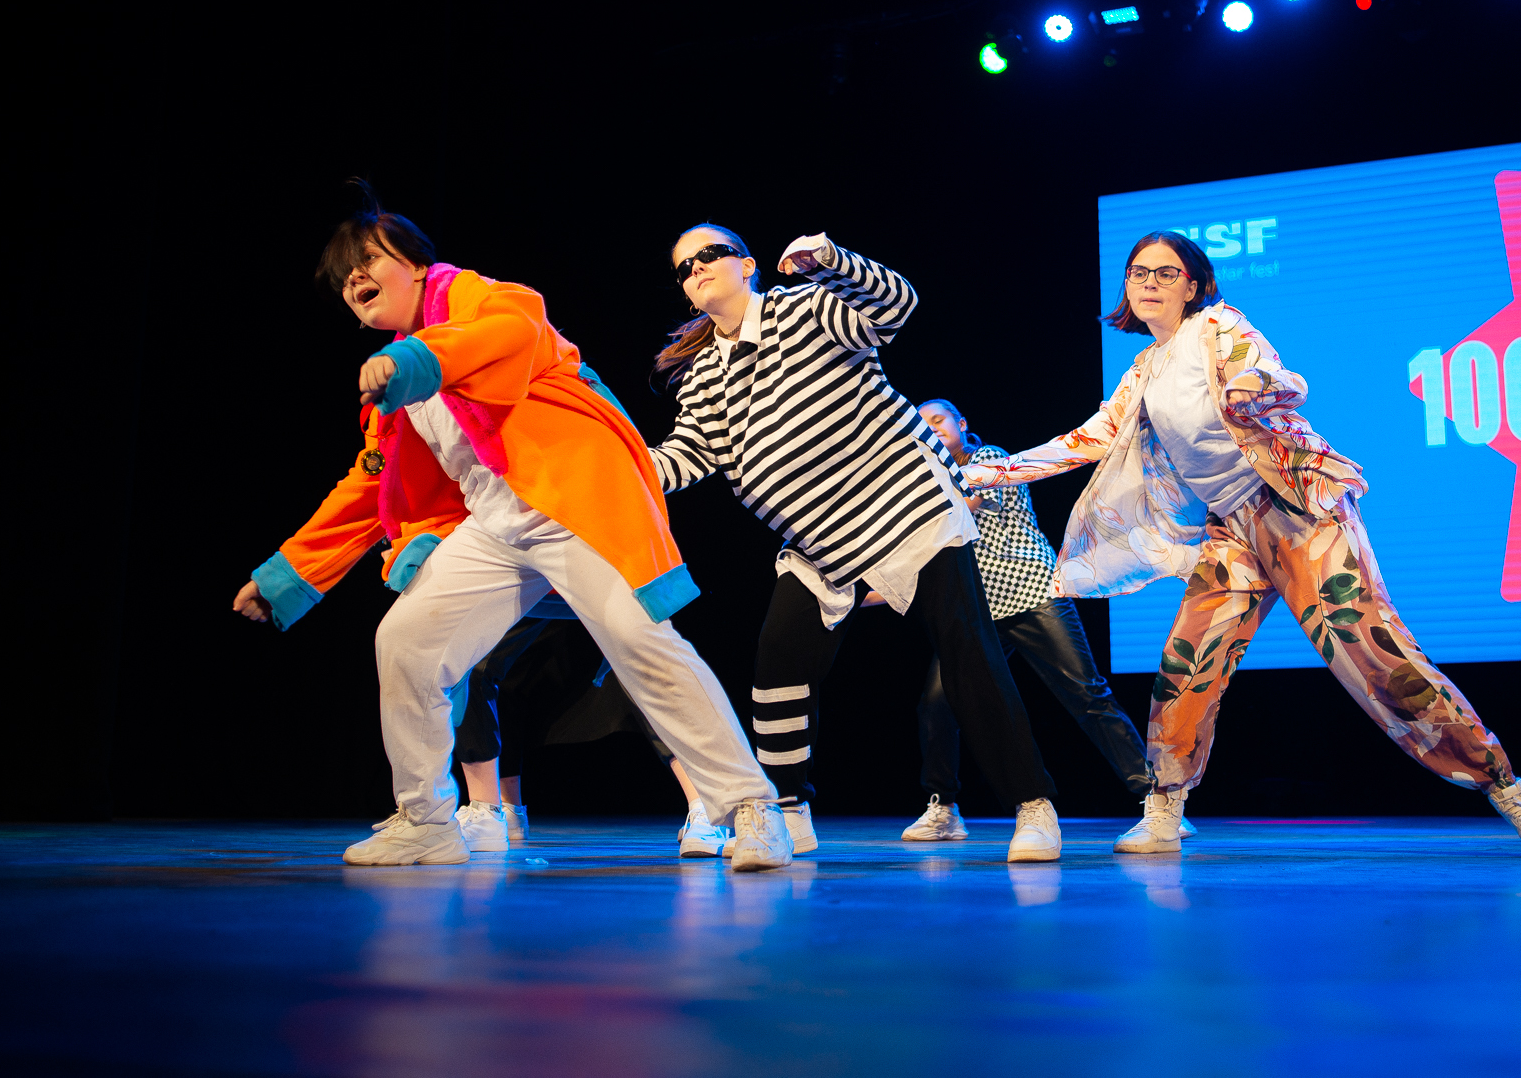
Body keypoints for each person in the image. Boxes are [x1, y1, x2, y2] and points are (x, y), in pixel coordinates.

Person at [231, 187, 791, 870]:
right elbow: (369, 486)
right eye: (343, 276)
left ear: (415, 266)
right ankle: (426, 821)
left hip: (571, 500)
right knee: (406, 641)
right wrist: (286, 576)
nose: (354, 279)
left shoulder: (476, 300)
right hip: (496, 523)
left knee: (643, 646)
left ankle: (753, 807)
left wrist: (414, 363)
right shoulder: (396, 389)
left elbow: (514, 328)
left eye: (368, 260)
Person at [962, 231, 1521, 858]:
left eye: (1166, 274)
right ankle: (1164, 809)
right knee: (1188, 661)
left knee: (1370, 650)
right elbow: (1091, 438)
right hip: (1232, 528)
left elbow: (1272, 374)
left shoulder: (1218, 327)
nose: (1148, 283)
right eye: (1138, 272)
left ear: (1192, 286)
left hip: (1296, 506)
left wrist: (1251, 388)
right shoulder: (1144, 370)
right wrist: (990, 471)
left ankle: (1507, 789)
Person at [649, 225, 1063, 863]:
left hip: (908, 510)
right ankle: (786, 813)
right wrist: (621, 467)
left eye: (709, 255)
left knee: (968, 652)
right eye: (684, 268)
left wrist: (830, 259)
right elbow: (689, 455)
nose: (696, 269)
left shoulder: (806, 307)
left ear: (748, 265)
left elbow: (897, 304)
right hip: (820, 541)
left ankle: (1033, 806)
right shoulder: (703, 375)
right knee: (778, 663)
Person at [898, 399, 1187, 844]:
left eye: (938, 420)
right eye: (923, 425)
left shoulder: (987, 458)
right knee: (937, 704)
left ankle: (1158, 799)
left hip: (1032, 592)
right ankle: (944, 808)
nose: (931, 428)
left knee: (1087, 694)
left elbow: (966, 507)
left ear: (961, 423)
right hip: (980, 609)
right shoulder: (931, 478)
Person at [451, 607, 732, 858]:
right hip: (532, 578)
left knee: (642, 656)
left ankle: (708, 809)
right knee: (471, 660)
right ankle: (493, 811)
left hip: (594, 573)